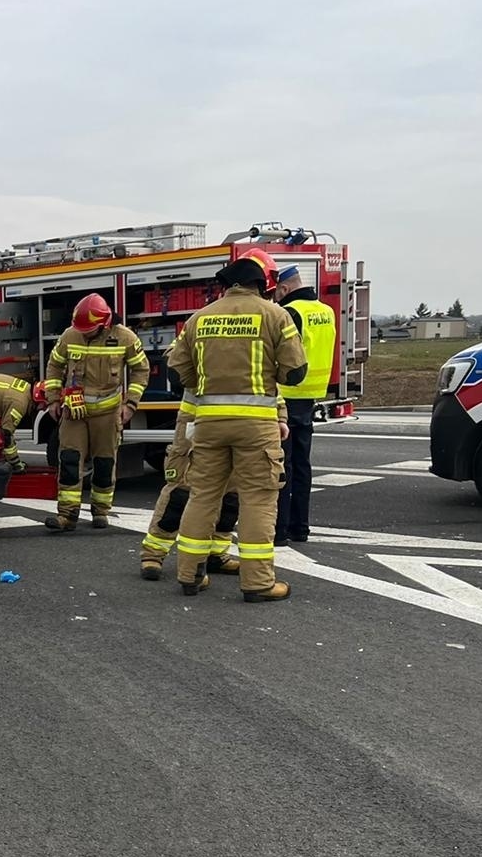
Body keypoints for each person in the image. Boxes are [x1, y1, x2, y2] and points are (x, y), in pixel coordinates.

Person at [166, 248, 308, 601]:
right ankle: (257, 583)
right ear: (262, 285)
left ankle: (189, 575)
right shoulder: (275, 315)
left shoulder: (199, 318)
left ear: (227, 285)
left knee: (202, 497)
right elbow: (295, 372)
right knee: (258, 500)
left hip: (208, 425)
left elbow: (175, 373)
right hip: (256, 426)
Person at [42, 293, 149, 530]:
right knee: (69, 460)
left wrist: (130, 404)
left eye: (89, 329)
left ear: (105, 323)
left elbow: (141, 370)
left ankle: (100, 511)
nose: (85, 333)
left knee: (104, 463)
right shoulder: (70, 335)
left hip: (108, 413)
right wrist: (53, 399)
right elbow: (54, 365)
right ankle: (67, 515)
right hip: (74, 411)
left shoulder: (125, 337)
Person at [137, 396, 243, 580]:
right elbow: (180, 374)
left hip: (240, 421)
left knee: (230, 493)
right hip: (198, 416)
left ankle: (216, 555)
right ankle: (153, 554)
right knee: (181, 491)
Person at [274, 265, 337, 545]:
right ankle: (300, 528)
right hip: (310, 396)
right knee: (302, 466)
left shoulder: (291, 312)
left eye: (275, 293)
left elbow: (282, 356)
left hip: (286, 396)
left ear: (284, 288)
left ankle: (279, 530)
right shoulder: (326, 310)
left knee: (280, 467)